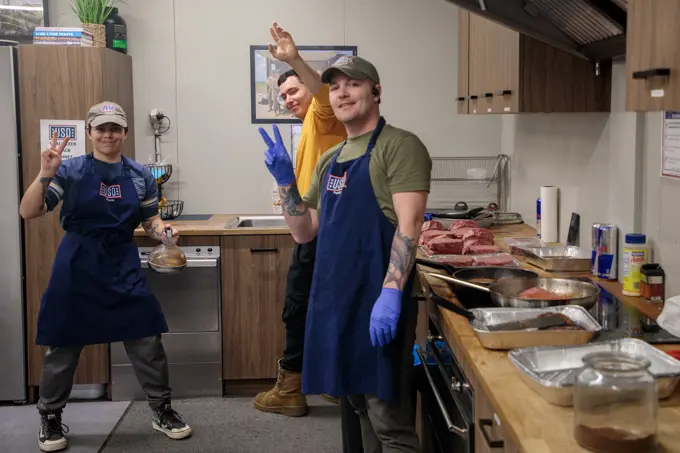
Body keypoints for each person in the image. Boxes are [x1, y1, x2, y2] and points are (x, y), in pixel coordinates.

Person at [258, 56, 431, 452]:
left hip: (377, 306)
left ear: (376, 91)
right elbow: (305, 232)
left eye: (353, 83)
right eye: (334, 86)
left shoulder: (400, 146)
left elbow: (409, 226)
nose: (342, 93)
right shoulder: (329, 159)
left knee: (388, 419)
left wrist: (390, 295)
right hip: (336, 305)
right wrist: (286, 182)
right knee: (358, 408)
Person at [19, 102, 192, 452]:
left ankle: (161, 409)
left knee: (146, 338)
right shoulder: (69, 170)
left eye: (114, 128)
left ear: (125, 133)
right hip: (77, 262)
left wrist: (163, 230)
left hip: (121, 261)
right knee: (63, 343)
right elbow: (28, 211)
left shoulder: (140, 175)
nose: (108, 134)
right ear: (89, 132)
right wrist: (44, 173)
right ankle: (50, 416)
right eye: (100, 128)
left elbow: (149, 220)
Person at [254, 22, 347, 417]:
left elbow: (324, 95)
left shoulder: (324, 115)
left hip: (323, 233)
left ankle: (291, 390)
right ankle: (336, 385)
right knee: (325, 307)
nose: (289, 99)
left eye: (293, 91)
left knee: (297, 308)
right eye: (283, 95)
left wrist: (293, 58)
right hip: (316, 228)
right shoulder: (311, 126)